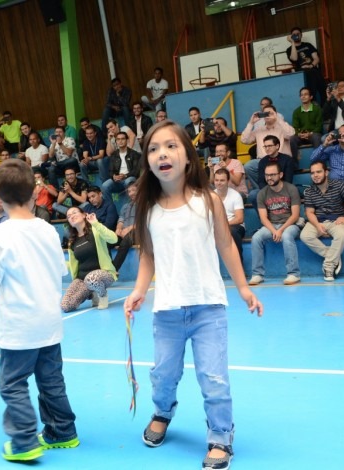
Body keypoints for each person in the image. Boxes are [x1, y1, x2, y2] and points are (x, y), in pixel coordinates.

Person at [123, 120, 262, 470]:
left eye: (170, 146)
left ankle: (220, 437)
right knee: (162, 373)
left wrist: (244, 289)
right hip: (167, 309)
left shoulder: (208, 200)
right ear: (148, 162)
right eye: (153, 149)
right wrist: (139, 291)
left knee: (214, 377)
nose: (161, 154)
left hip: (208, 307)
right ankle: (162, 412)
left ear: (187, 157)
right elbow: (148, 255)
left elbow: (226, 244)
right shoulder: (148, 208)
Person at [0, 159, 79, 461]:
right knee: (51, 381)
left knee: (12, 383)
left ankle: (24, 441)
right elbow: (61, 270)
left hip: (19, 328)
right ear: (34, 192)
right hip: (49, 324)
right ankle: (63, 432)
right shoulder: (48, 231)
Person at [301, 161, 344, 281]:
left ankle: (329, 266)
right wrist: (317, 225)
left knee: (342, 234)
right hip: (318, 220)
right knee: (305, 235)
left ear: (326, 172)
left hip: (337, 220)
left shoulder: (338, 185)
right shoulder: (310, 191)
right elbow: (309, 212)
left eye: (318, 172)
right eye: (312, 173)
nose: (315, 175)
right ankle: (333, 256)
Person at [249, 162, 302, 286]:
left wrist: (281, 230)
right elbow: (263, 218)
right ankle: (257, 274)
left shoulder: (291, 189)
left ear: (281, 174)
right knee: (256, 237)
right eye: (267, 175)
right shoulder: (262, 193)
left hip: (290, 224)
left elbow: (295, 215)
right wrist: (274, 230)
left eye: (272, 174)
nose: (269, 178)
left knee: (287, 236)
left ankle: (293, 273)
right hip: (271, 225)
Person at [61, 207, 117, 312]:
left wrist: (96, 223)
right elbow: (74, 264)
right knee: (65, 305)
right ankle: (91, 293)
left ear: (83, 215)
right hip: (82, 279)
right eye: (69, 216)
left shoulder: (95, 230)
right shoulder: (72, 241)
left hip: (104, 275)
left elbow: (114, 239)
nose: (72, 216)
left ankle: (102, 295)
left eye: (74, 213)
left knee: (91, 278)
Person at [286, 27, 326, 104]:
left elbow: (316, 59)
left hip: (313, 69)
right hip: (301, 72)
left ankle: (325, 105)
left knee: (322, 86)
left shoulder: (308, 45)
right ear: (291, 36)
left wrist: (311, 65)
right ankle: (313, 100)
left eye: (298, 34)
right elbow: (294, 59)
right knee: (310, 75)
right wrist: (292, 43)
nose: (296, 35)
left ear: (301, 35)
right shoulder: (289, 49)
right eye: (294, 34)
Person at [213, 168, 245, 260]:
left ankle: (240, 266)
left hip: (235, 226)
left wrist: (223, 224)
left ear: (228, 181)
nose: (219, 183)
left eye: (222, 180)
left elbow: (239, 219)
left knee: (232, 231)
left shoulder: (236, 195)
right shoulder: (211, 195)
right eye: (216, 180)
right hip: (216, 226)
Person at [102, 131, 140, 203]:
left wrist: (125, 175)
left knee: (129, 181)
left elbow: (136, 171)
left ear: (127, 140)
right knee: (104, 186)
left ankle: (130, 205)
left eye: (122, 139)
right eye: (118, 139)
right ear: (116, 141)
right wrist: (114, 176)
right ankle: (110, 207)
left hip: (129, 178)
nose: (120, 141)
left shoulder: (134, 154)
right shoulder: (114, 155)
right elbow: (110, 171)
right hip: (118, 181)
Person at [290, 86, 323, 161]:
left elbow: (319, 126)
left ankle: (318, 162)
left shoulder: (317, 109)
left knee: (316, 137)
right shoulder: (296, 111)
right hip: (301, 135)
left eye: (306, 94)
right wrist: (299, 134)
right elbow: (295, 127)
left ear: (311, 97)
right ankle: (295, 165)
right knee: (292, 139)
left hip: (313, 134)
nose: (303, 96)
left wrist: (310, 134)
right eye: (301, 95)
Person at [112, 181, 137, 271]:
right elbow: (121, 220)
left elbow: (145, 221)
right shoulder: (125, 206)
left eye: (133, 190)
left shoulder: (146, 204)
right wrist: (118, 229)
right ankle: (105, 267)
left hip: (138, 232)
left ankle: (113, 270)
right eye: (129, 191)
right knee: (108, 240)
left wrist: (130, 228)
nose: (131, 193)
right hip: (124, 232)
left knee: (127, 239)